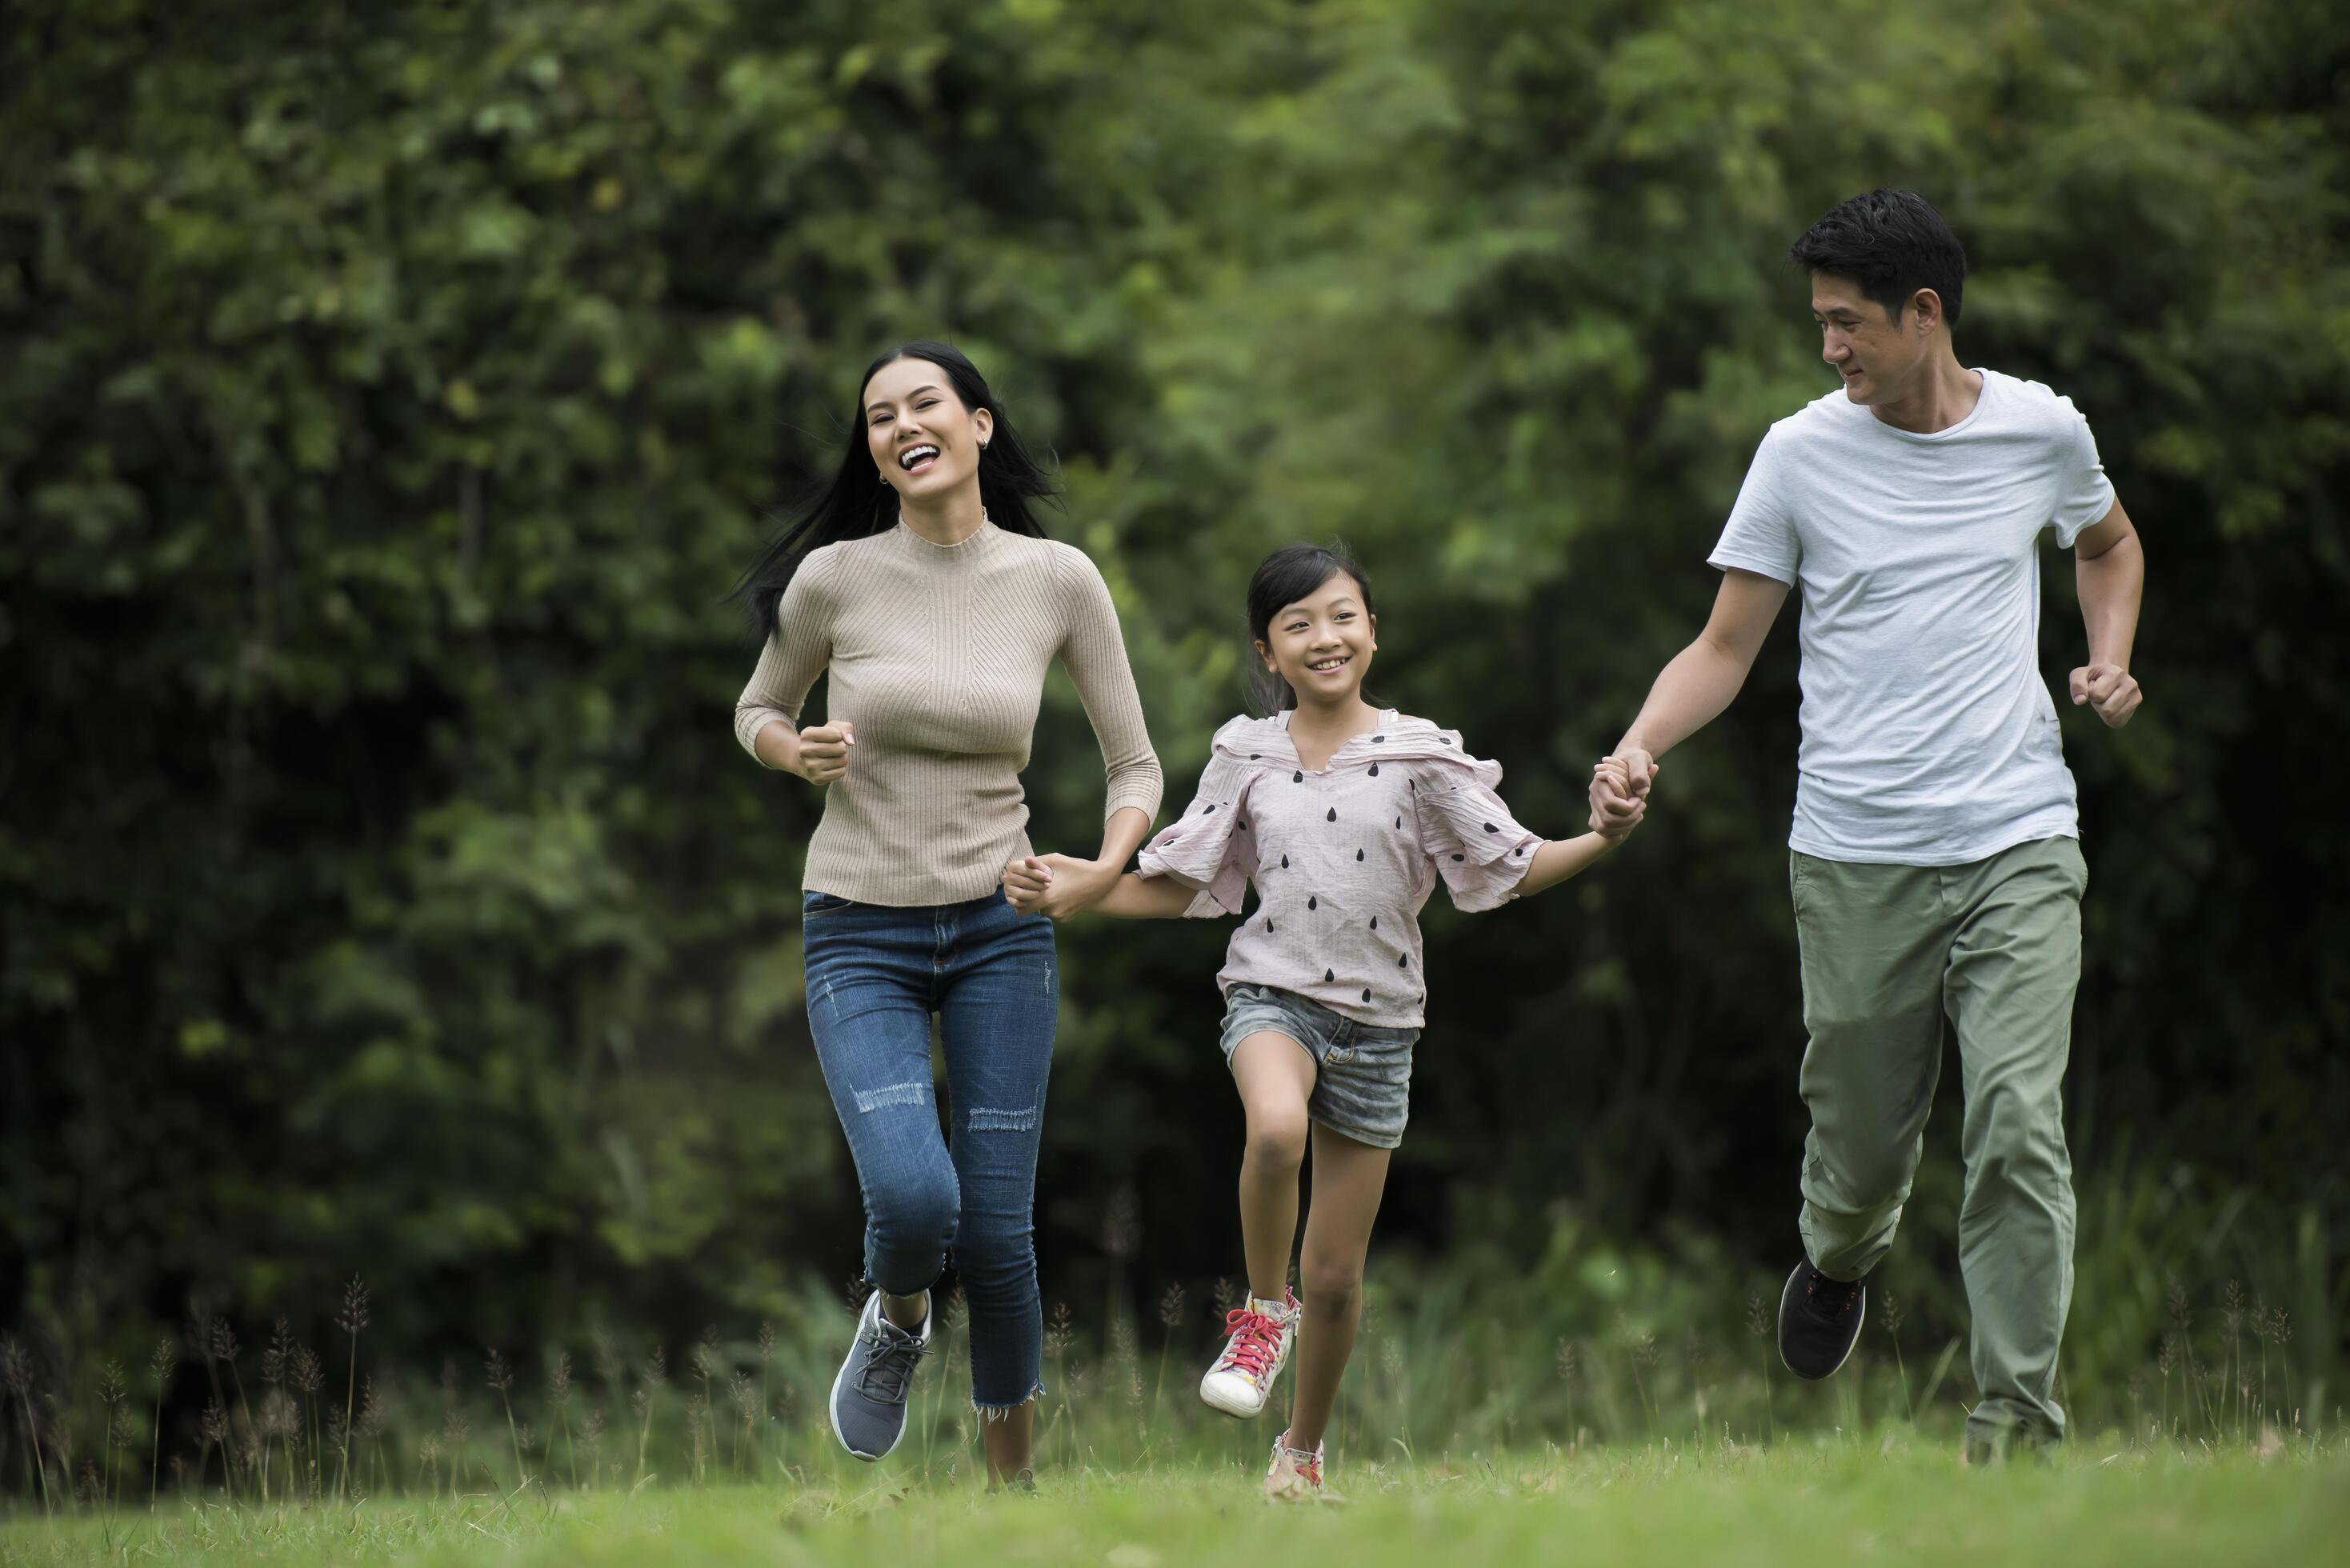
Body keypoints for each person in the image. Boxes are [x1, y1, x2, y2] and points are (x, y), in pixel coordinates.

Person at [1588, 190, 2145, 1462]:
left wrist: (2110, 654)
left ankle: (2014, 1429)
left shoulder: (2039, 429)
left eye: (1847, 323)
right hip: (1854, 853)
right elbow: (1725, 646)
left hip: (2016, 832)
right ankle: (1840, 1256)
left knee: (2017, 1124)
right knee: (1856, 1144)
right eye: (1821, 323)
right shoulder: (1800, 453)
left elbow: (2107, 546)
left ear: (1924, 313)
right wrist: (1636, 744)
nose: (1828, 347)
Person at [1007, 542, 1635, 1498]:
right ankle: (1262, 1312)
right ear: (1269, 652)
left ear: (1372, 631)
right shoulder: (1244, 753)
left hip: (1382, 1027)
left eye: (1342, 616)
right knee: (1274, 1127)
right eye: (1298, 624)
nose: (1324, 637)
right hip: (1272, 995)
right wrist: (1081, 889)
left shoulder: (1421, 755)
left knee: (1338, 1278)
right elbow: (1185, 887)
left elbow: (1511, 866)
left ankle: (1298, 1456)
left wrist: (1603, 837)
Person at [731, 342, 1163, 1488]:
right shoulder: (834, 579)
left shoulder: (1057, 578)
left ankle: (1009, 1504)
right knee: (917, 1201)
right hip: (857, 927)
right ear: (873, 450)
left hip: (1000, 929)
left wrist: (1099, 871)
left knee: (1001, 1232)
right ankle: (900, 1316)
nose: (901, 425)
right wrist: (794, 751)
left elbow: (1135, 765)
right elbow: (758, 709)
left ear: (977, 424)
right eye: (879, 416)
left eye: (924, 404)